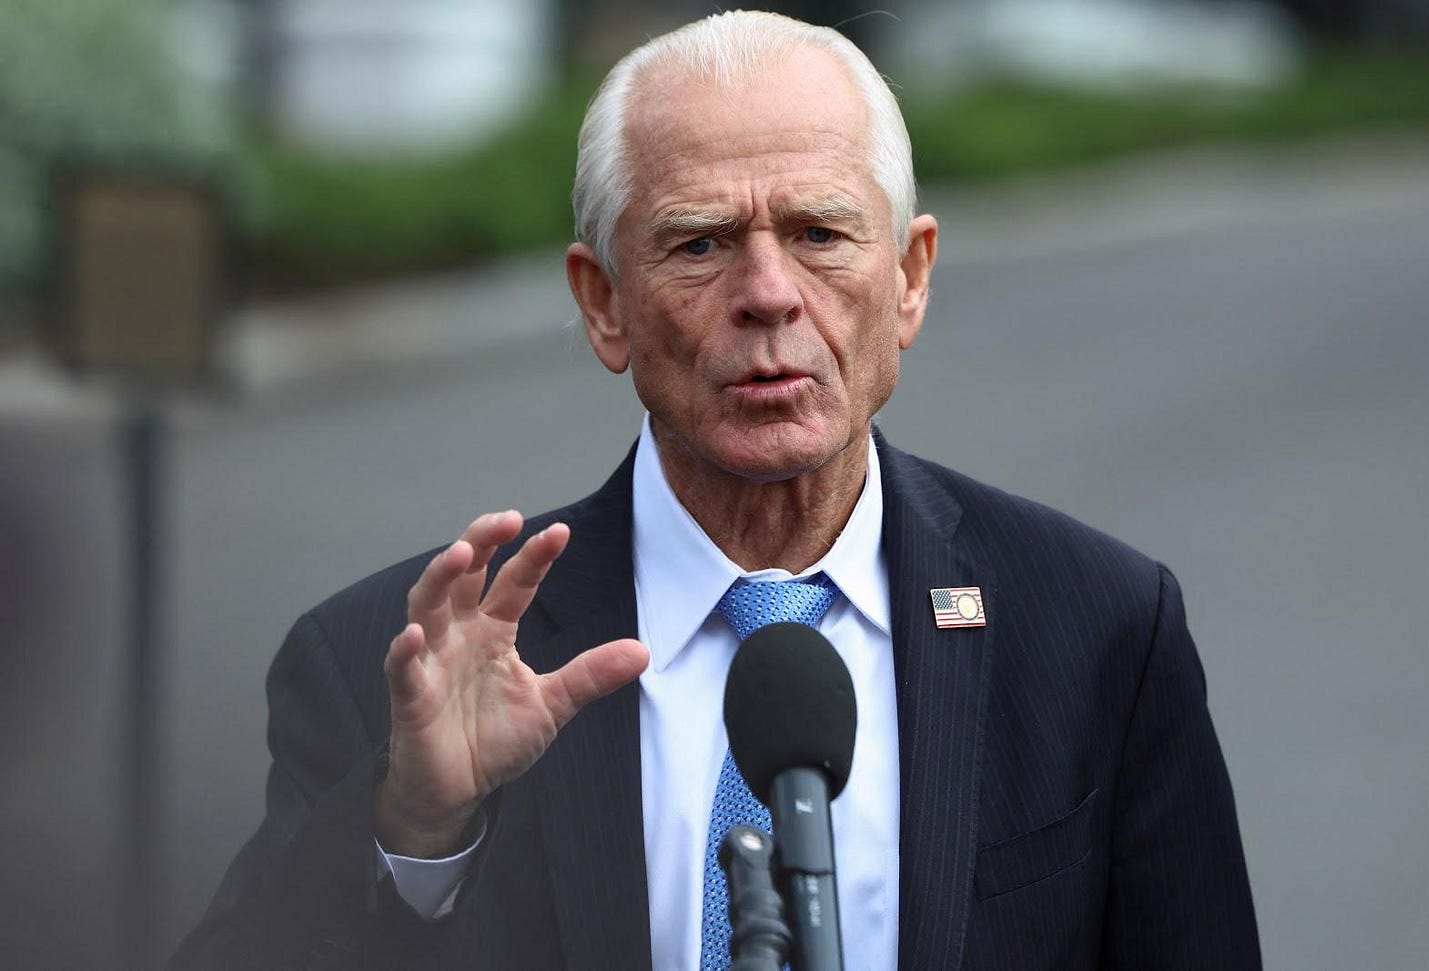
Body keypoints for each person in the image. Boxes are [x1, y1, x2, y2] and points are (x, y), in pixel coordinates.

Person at [174, 10, 1260, 970]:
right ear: (603, 304)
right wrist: (417, 824)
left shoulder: (1095, 629)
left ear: (910, 276)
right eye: (698, 243)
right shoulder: (390, 670)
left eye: (819, 233)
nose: (768, 295)